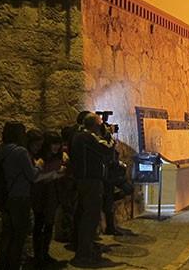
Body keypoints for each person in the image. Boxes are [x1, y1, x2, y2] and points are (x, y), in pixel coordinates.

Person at [69, 113, 117, 267]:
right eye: (100, 124)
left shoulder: (78, 136)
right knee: (90, 217)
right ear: (96, 126)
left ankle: (82, 247)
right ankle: (83, 255)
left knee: (82, 214)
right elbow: (107, 150)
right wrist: (109, 134)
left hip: (82, 181)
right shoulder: (87, 137)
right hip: (90, 182)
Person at [0, 121, 40, 269]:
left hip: (5, 196)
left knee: (7, 233)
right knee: (19, 234)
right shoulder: (20, 152)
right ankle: (14, 265)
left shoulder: (0, 150)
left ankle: (3, 264)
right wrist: (39, 165)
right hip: (20, 196)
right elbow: (32, 176)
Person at [32, 131, 67, 266]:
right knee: (40, 223)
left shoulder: (58, 157)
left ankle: (45, 254)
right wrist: (54, 175)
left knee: (48, 224)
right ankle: (38, 256)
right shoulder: (40, 158)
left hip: (52, 194)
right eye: (53, 143)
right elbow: (36, 178)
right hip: (41, 194)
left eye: (58, 143)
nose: (56, 146)